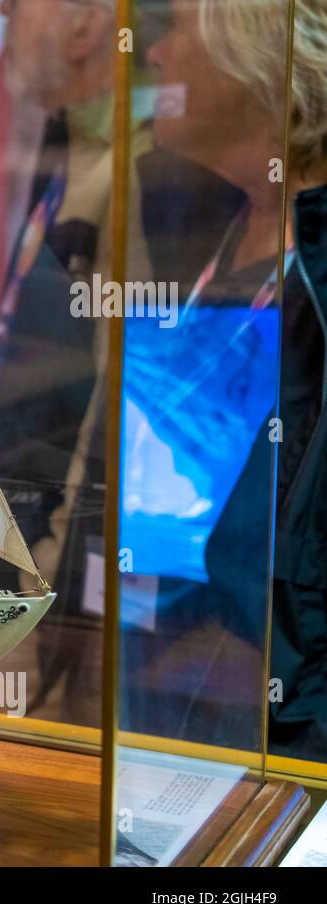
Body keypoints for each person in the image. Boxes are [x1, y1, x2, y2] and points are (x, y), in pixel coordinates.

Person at [0, 0, 244, 721]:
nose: (2, 10)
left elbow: (118, 425)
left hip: (57, 621)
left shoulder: (151, 184)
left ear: (88, 22)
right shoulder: (75, 157)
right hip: (18, 598)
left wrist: (42, 621)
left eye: (20, 3)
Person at [146, 0, 327, 758]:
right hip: (174, 685)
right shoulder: (181, 214)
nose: (153, 54)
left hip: (288, 736)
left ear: (256, 49)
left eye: (179, 24)